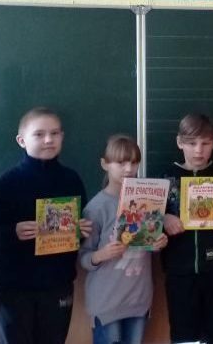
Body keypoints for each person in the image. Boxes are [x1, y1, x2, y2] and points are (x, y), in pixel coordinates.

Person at [0, 107, 91, 344]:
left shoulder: (71, 180)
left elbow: (79, 232)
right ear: (21, 140)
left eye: (55, 133)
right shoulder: (8, 182)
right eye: (39, 134)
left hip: (57, 284)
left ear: (62, 136)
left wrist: (81, 231)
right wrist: (13, 232)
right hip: (15, 287)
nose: (49, 140)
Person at [80, 135, 168, 344]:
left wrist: (158, 243)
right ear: (105, 164)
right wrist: (101, 254)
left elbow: (147, 243)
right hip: (106, 303)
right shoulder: (97, 208)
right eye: (121, 163)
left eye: (134, 162)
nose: (129, 169)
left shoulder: (147, 201)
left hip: (138, 300)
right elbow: (83, 257)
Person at [161, 113, 213, 343]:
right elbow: (149, 215)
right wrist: (164, 218)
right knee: (184, 335)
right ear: (179, 142)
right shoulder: (165, 176)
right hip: (179, 271)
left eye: (205, 143)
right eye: (191, 143)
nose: (198, 150)